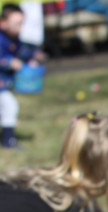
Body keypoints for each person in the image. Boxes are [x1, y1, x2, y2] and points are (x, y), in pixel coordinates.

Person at [0, 3, 44, 149]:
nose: (20, 27)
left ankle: (8, 139)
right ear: (3, 22)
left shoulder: (15, 39)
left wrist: (31, 58)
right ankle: (8, 140)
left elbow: (22, 52)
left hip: (4, 86)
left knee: (8, 107)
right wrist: (8, 62)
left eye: (22, 23)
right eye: (17, 24)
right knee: (10, 106)